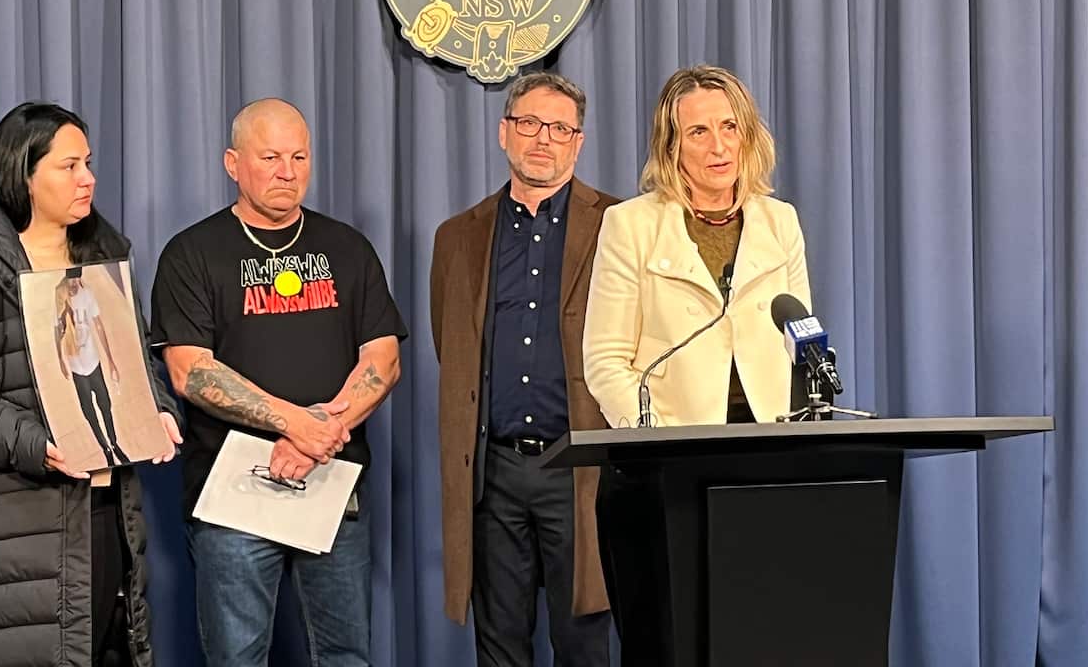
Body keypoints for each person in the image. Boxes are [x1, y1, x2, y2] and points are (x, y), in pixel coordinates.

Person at [0, 102, 183, 667]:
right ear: (23, 175)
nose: (90, 179)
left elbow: (134, 361)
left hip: (105, 518)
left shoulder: (104, 261)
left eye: (90, 164)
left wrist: (158, 407)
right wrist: (37, 444)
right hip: (6, 534)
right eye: (70, 166)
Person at [151, 98, 406, 667]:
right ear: (232, 163)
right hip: (232, 493)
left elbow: (384, 359)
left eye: (299, 156)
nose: (287, 171)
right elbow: (191, 370)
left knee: (346, 655)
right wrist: (296, 424)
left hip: (332, 483)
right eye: (270, 157)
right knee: (237, 658)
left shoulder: (348, 248)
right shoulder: (192, 253)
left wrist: (324, 431)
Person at [581, 64, 812, 663]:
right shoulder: (630, 225)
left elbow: (799, 334)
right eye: (698, 133)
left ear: (749, 134)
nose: (718, 146)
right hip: (659, 471)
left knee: (756, 640)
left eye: (729, 127)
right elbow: (605, 358)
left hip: (761, 464)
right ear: (671, 146)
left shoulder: (778, 221)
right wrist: (652, 441)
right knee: (666, 645)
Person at [430, 72, 617, 667]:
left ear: (578, 143)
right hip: (496, 473)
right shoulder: (458, 237)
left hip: (582, 469)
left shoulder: (621, 226)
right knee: (500, 645)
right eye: (530, 124)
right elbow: (452, 348)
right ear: (504, 133)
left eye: (560, 128)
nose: (544, 139)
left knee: (584, 643)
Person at [55, 273, 130, 467]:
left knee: (105, 404)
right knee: (88, 410)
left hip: (93, 362)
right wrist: (60, 359)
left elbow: (98, 325)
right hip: (76, 366)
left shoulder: (87, 294)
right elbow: (57, 329)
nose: (72, 284)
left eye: (75, 280)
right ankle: (105, 448)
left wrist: (111, 360)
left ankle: (114, 443)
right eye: (69, 280)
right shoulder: (60, 297)